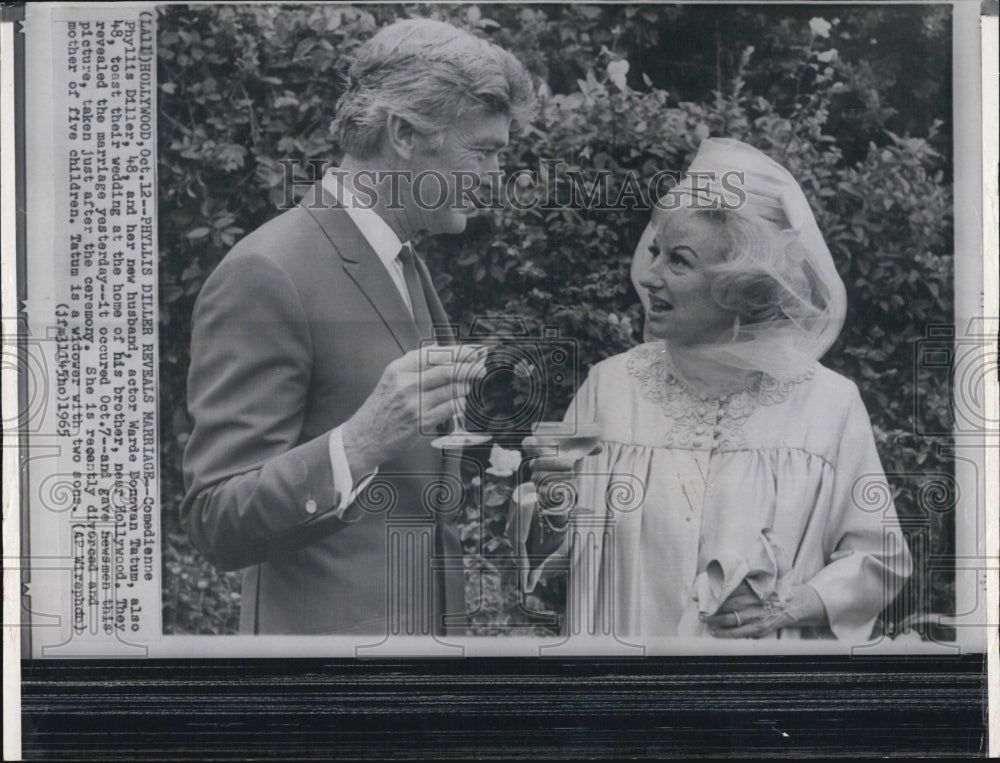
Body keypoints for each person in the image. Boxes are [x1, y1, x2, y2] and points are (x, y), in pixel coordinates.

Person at [181, 18, 536, 635]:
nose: (493, 178)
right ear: (402, 134)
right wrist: (359, 442)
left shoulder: (401, 257)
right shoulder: (268, 271)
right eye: (482, 151)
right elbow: (216, 520)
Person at [517, 138, 912, 642]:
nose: (649, 276)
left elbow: (879, 557)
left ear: (741, 285)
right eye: (655, 251)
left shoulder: (826, 404)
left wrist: (788, 607)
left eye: (679, 261)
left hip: (761, 695)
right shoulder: (612, 387)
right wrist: (550, 504)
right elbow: (557, 559)